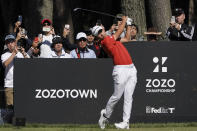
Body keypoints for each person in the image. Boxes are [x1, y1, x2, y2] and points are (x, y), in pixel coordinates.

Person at [92, 16, 137, 129]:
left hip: (131, 68)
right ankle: (105, 115)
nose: (101, 33)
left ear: (103, 30)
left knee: (128, 97)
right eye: (98, 33)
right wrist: (124, 20)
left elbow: (127, 38)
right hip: (120, 70)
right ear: (97, 37)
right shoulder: (106, 41)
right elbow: (119, 31)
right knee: (116, 96)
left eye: (101, 31)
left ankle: (125, 122)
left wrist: (128, 25)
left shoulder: (112, 38)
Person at [1, 34, 29, 109]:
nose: (10, 44)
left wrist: (24, 53)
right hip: (9, 84)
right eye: (8, 43)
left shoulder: (20, 54)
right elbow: (5, 64)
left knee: (21, 106)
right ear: (6, 45)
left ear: (15, 43)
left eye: (12, 42)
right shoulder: (4, 55)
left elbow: (29, 65)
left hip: (20, 83)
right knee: (10, 107)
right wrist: (14, 53)